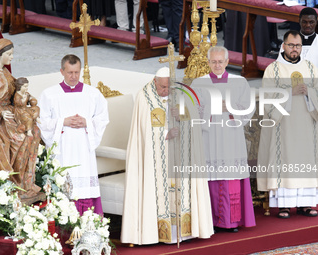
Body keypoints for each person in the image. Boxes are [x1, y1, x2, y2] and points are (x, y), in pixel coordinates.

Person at [121, 66, 213, 245]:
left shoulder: (180, 93)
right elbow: (143, 131)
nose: (166, 91)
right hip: (154, 160)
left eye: (168, 87)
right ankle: (154, 234)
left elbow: (195, 122)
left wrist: (180, 116)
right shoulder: (144, 97)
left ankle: (185, 232)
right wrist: (164, 134)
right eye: (163, 87)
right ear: (155, 81)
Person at [192, 46, 256, 232]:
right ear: (208, 62)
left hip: (231, 137)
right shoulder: (198, 83)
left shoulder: (240, 82)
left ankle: (231, 221)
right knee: (212, 178)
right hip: (210, 136)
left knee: (231, 177)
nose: (217, 65)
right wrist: (211, 109)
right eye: (213, 61)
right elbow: (193, 110)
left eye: (221, 61)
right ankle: (211, 220)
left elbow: (248, 108)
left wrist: (229, 106)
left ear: (227, 62)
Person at [38, 54, 109, 215]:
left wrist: (87, 123)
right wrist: (63, 122)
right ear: (62, 71)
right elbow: (42, 122)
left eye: (77, 72)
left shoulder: (93, 94)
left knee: (85, 184)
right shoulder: (49, 94)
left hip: (84, 149)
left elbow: (103, 118)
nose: (74, 76)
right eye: (70, 72)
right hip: (63, 149)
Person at [258, 30, 318, 218]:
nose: (294, 49)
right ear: (283, 46)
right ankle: (284, 205)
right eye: (291, 45)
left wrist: (309, 92)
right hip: (283, 126)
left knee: (305, 161)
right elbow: (267, 98)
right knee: (285, 161)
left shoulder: (310, 67)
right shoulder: (273, 69)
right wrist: (289, 93)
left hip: (307, 125)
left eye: (298, 46)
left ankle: (306, 204)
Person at [0, 38, 42, 202]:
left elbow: (17, 92)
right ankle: (16, 182)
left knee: (35, 133)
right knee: (20, 138)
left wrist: (28, 100)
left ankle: (28, 182)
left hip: (13, 112)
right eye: (9, 54)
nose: (12, 57)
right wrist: (0, 111)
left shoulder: (6, 73)